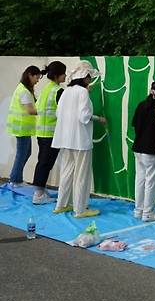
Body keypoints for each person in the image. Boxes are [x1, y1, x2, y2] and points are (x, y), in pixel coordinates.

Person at [52, 61, 106, 218]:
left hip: (65, 139)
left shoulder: (66, 91)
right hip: (80, 140)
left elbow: (58, 114)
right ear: (85, 77)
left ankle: (61, 204)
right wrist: (97, 118)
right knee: (82, 174)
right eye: (89, 77)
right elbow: (83, 117)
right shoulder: (83, 92)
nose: (90, 80)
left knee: (67, 171)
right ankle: (80, 209)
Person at [32, 61, 67, 204]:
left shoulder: (46, 88)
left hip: (41, 132)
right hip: (50, 134)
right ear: (58, 75)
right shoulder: (58, 91)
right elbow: (64, 110)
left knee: (43, 162)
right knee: (45, 163)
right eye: (64, 73)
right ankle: (38, 194)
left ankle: (40, 190)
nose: (65, 76)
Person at [132, 80, 155, 222]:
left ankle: (138, 210)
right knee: (152, 181)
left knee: (140, 179)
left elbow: (134, 125)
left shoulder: (142, 105)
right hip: (151, 150)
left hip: (138, 147)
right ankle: (148, 212)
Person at [6, 65, 42, 187]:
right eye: (37, 77)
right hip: (21, 128)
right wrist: (45, 112)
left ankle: (16, 178)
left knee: (26, 153)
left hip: (22, 128)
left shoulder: (24, 89)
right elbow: (30, 110)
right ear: (30, 75)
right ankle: (15, 180)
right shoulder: (24, 91)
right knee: (22, 154)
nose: (37, 80)